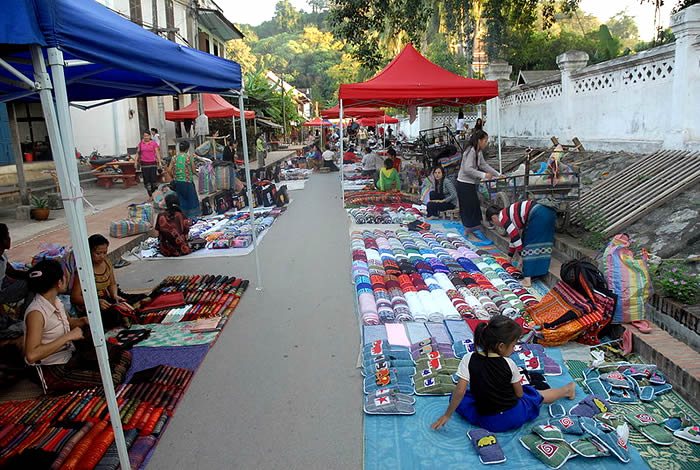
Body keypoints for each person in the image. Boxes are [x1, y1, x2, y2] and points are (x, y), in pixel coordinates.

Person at [431, 315, 576, 433]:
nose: (514, 349)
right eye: (513, 345)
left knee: (460, 397)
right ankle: (566, 390)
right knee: (532, 394)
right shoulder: (509, 363)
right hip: (514, 416)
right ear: (501, 346)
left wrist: (447, 415)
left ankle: (562, 391)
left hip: (488, 422)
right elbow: (519, 394)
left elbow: (460, 391)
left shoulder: (469, 358)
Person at [24, 259, 131, 391]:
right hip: (53, 369)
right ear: (59, 283)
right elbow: (32, 355)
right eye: (64, 277)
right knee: (112, 378)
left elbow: (67, 322)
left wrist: (83, 321)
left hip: (70, 356)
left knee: (124, 356)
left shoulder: (55, 301)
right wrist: (67, 337)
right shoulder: (36, 313)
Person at [486, 201, 556, 287]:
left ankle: (527, 279)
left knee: (528, 243)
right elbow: (513, 238)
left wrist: (521, 256)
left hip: (538, 214)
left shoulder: (502, 217)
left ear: (493, 218)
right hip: (548, 212)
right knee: (543, 242)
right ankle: (538, 273)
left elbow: (515, 237)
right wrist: (509, 257)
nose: (497, 225)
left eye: (493, 223)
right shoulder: (506, 213)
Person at [71, 235, 133, 331]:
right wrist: (96, 302)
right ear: (89, 252)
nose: (102, 256)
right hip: (92, 305)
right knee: (112, 315)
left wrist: (114, 295)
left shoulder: (107, 262)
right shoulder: (83, 270)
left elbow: (112, 283)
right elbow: (75, 297)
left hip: (107, 298)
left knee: (133, 300)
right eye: (98, 253)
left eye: (105, 252)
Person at [456, 130, 500, 242]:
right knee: (469, 208)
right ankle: (470, 233)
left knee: (474, 207)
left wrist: (498, 174)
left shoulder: (478, 152)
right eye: (485, 141)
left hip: (470, 184)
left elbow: (484, 165)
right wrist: (483, 175)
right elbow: (467, 169)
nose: (486, 143)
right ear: (479, 140)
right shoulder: (471, 151)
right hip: (464, 184)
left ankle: (469, 230)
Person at [169, 141, 201, 218]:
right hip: (187, 182)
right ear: (187, 149)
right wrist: (198, 175)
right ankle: (192, 216)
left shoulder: (174, 157)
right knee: (191, 199)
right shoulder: (189, 158)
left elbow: (169, 169)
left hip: (178, 182)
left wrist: (174, 176)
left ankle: (183, 216)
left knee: (181, 199)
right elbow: (193, 170)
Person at [155, 193, 193, 257]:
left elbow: (157, 231)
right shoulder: (180, 215)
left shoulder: (161, 215)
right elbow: (186, 230)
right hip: (182, 248)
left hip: (166, 250)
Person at [0, 224, 29, 306]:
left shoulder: (2, 255)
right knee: (33, 283)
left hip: (3, 286)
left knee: (33, 276)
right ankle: (26, 311)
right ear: (3, 240)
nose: (10, 239)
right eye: (7, 236)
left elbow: (12, 272)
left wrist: (32, 273)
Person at [136, 130, 162, 198]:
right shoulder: (140, 144)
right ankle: (150, 195)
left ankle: (154, 195)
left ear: (150, 136)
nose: (146, 137)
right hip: (144, 165)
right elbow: (137, 153)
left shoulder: (153, 143)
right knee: (147, 181)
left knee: (153, 181)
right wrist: (135, 162)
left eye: (147, 136)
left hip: (153, 164)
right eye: (144, 136)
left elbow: (157, 153)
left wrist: (159, 162)